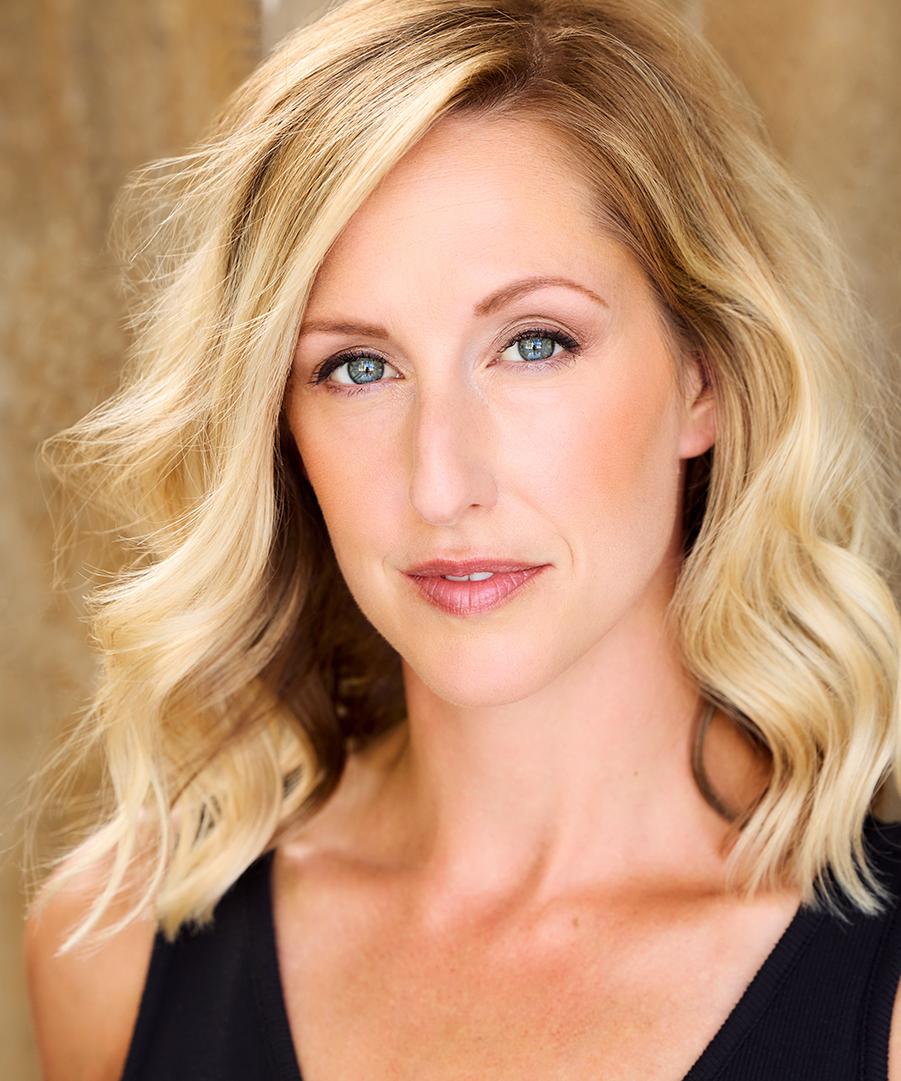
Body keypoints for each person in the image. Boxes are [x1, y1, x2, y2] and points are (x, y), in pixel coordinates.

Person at [21, 0, 901, 1078]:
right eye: (357, 368)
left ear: (702, 376)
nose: (440, 485)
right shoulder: (114, 951)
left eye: (533, 343)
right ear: (278, 427)